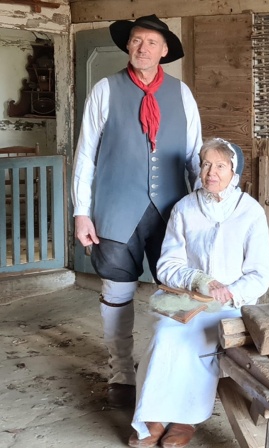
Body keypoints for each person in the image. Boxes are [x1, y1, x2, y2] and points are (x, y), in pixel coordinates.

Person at [71, 14, 203, 408]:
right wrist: (82, 211)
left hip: (172, 213)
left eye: (150, 42)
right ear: (127, 47)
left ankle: (171, 368)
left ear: (164, 51)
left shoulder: (182, 94)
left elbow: (196, 157)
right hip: (115, 211)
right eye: (135, 41)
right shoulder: (105, 90)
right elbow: (85, 156)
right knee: (117, 291)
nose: (142, 47)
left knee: (175, 293)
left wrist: (199, 212)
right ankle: (122, 372)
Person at [128, 137, 269, 448]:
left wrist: (228, 292)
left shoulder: (250, 212)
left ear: (234, 173)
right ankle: (151, 417)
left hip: (230, 305)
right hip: (186, 298)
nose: (211, 172)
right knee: (166, 336)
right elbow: (167, 264)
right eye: (206, 164)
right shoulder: (184, 208)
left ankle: (185, 419)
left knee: (200, 341)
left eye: (220, 165)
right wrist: (199, 280)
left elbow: (261, 274)